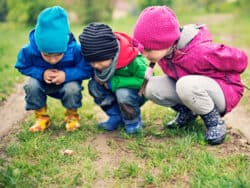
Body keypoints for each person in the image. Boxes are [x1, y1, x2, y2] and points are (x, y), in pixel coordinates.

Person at [133, 6, 248, 144]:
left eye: (148, 49)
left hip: (223, 91)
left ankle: (215, 122)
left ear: (165, 42)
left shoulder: (200, 51)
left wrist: (230, 72)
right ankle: (188, 112)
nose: (144, 54)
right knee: (150, 87)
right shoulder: (166, 53)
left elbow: (241, 59)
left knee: (185, 84)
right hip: (192, 89)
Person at [15, 6, 93, 132]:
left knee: (72, 88)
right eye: (46, 55)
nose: (52, 60)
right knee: (31, 85)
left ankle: (72, 116)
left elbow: (87, 69)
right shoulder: (29, 50)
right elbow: (22, 65)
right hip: (42, 83)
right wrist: (41, 73)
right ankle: (41, 117)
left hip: (67, 83)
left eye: (58, 55)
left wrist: (66, 75)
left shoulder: (75, 50)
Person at [79, 23, 149, 134]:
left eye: (99, 61)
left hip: (135, 93)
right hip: (114, 92)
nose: (96, 65)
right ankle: (116, 116)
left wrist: (115, 82)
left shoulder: (132, 59)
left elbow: (145, 80)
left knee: (123, 93)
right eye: (92, 61)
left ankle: (133, 121)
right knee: (93, 86)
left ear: (111, 54)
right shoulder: (98, 61)